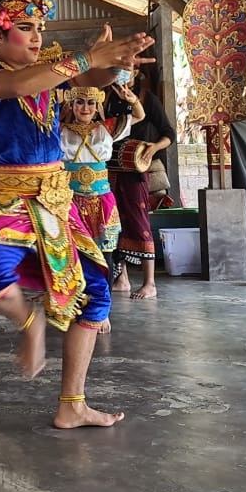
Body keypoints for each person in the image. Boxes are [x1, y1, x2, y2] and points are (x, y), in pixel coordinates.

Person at [0, 0, 151, 428]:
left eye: (40, 29)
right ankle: (29, 320)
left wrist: (119, 62)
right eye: (25, 28)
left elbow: (95, 79)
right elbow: (22, 85)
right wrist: (85, 57)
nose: (36, 36)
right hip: (8, 196)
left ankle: (72, 404)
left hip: (53, 199)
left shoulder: (51, 70)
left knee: (97, 291)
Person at [60, 85, 143, 331]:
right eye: (80, 103)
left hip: (101, 202)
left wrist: (133, 99)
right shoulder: (60, 131)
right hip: (72, 201)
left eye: (90, 103)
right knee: (72, 254)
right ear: (71, 106)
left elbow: (138, 116)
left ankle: (101, 310)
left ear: (97, 106)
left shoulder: (106, 128)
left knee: (103, 255)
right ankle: (73, 304)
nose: (85, 108)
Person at [110, 69, 176, 300]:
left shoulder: (147, 99)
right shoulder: (106, 97)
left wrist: (154, 148)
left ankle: (150, 283)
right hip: (111, 169)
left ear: (136, 72)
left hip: (136, 168)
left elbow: (169, 133)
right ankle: (122, 278)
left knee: (139, 222)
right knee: (114, 224)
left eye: (125, 71)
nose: (120, 75)